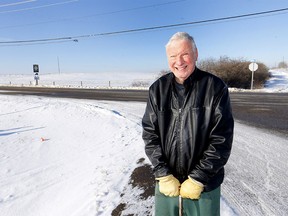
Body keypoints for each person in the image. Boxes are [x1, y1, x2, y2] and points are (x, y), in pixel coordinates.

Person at [142, 32, 234, 216]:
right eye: (173, 56)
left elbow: (221, 139)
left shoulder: (215, 87)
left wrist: (198, 178)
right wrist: (163, 174)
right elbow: (150, 135)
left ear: (196, 54)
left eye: (184, 54)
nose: (179, 61)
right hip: (167, 183)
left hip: (204, 185)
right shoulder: (157, 89)